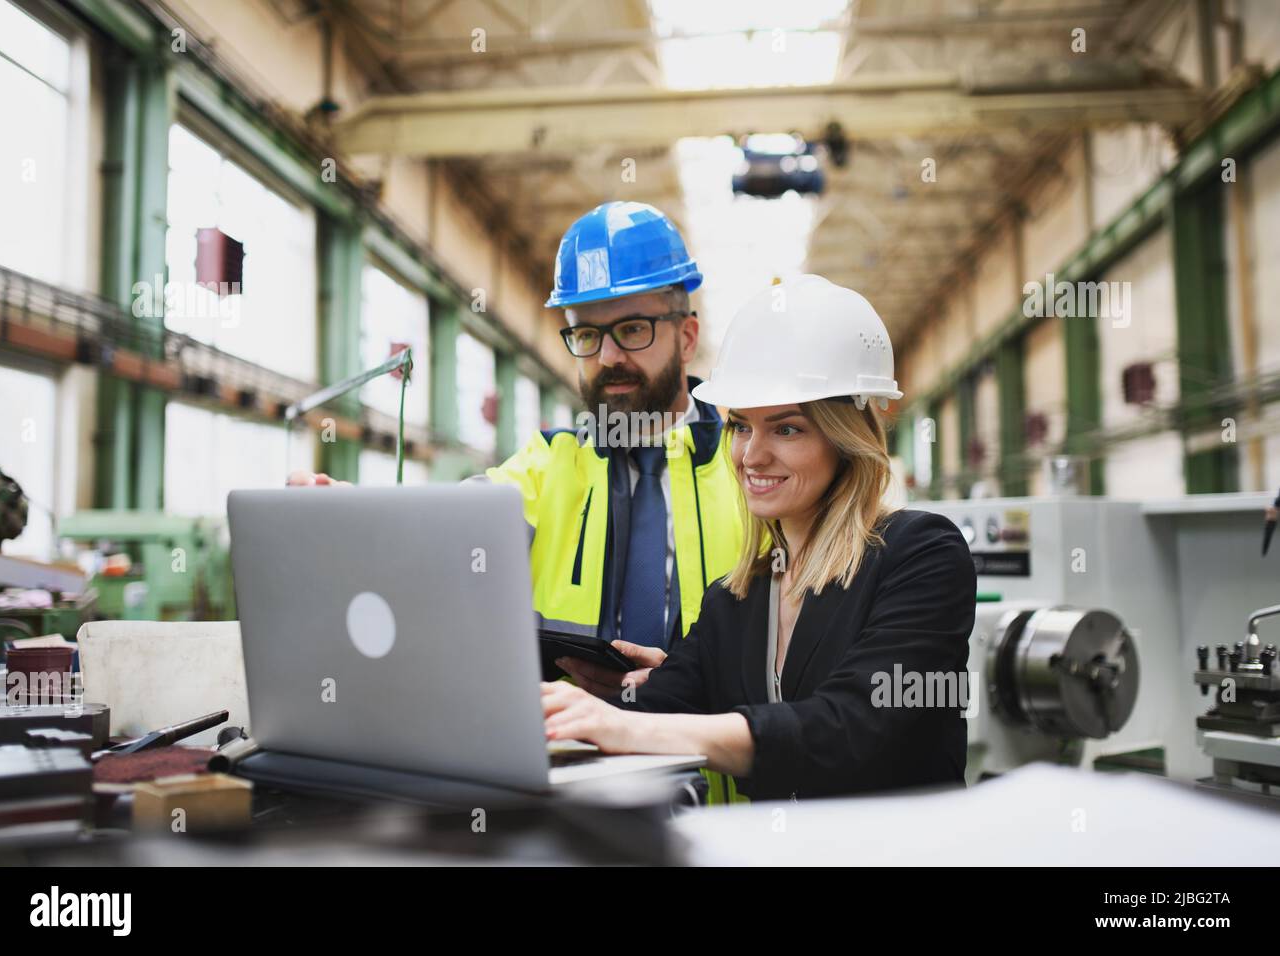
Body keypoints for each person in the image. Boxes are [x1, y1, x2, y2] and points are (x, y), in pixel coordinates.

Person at [289, 201, 748, 801]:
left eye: (632, 329)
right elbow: (446, 530)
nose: (609, 357)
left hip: (725, 808)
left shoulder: (752, 466)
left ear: (686, 336)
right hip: (575, 801)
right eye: (587, 333)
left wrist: (693, 687)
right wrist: (357, 522)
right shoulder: (547, 464)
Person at [540, 275, 977, 801]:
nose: (751, 455)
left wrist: (637, 728)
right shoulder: (736, 598)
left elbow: (852, 726)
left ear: (847, 439)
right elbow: (657, 708)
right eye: (742, 426)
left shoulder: (919, 554)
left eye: (787, 429)